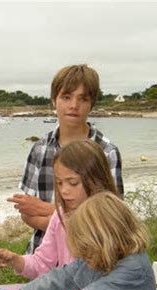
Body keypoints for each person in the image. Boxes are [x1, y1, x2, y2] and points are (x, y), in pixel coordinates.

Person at [9, 64, 124, 254]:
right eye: (66, 97)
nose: (73, 105)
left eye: (83, 98)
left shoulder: (106, 152)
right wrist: (77, 219)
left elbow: (110, 220)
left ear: (91, 104)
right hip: (41, 257)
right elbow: (27, 212)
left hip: (89, 258)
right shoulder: (40, 149)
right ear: (54, 100)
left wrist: (45, 208)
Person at [0, 139, 118, 280]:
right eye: (59, 183)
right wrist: (15, 260)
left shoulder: (111, 221)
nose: (64, 190)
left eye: (73, 183)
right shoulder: (60, 216)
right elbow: (42, 262)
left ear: (97, 180)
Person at [20, 191, 156, 290]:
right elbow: (64, 276)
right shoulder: (105, 256)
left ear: (103, 241)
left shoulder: (133, 271)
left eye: (87, 250)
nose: (85, 258)